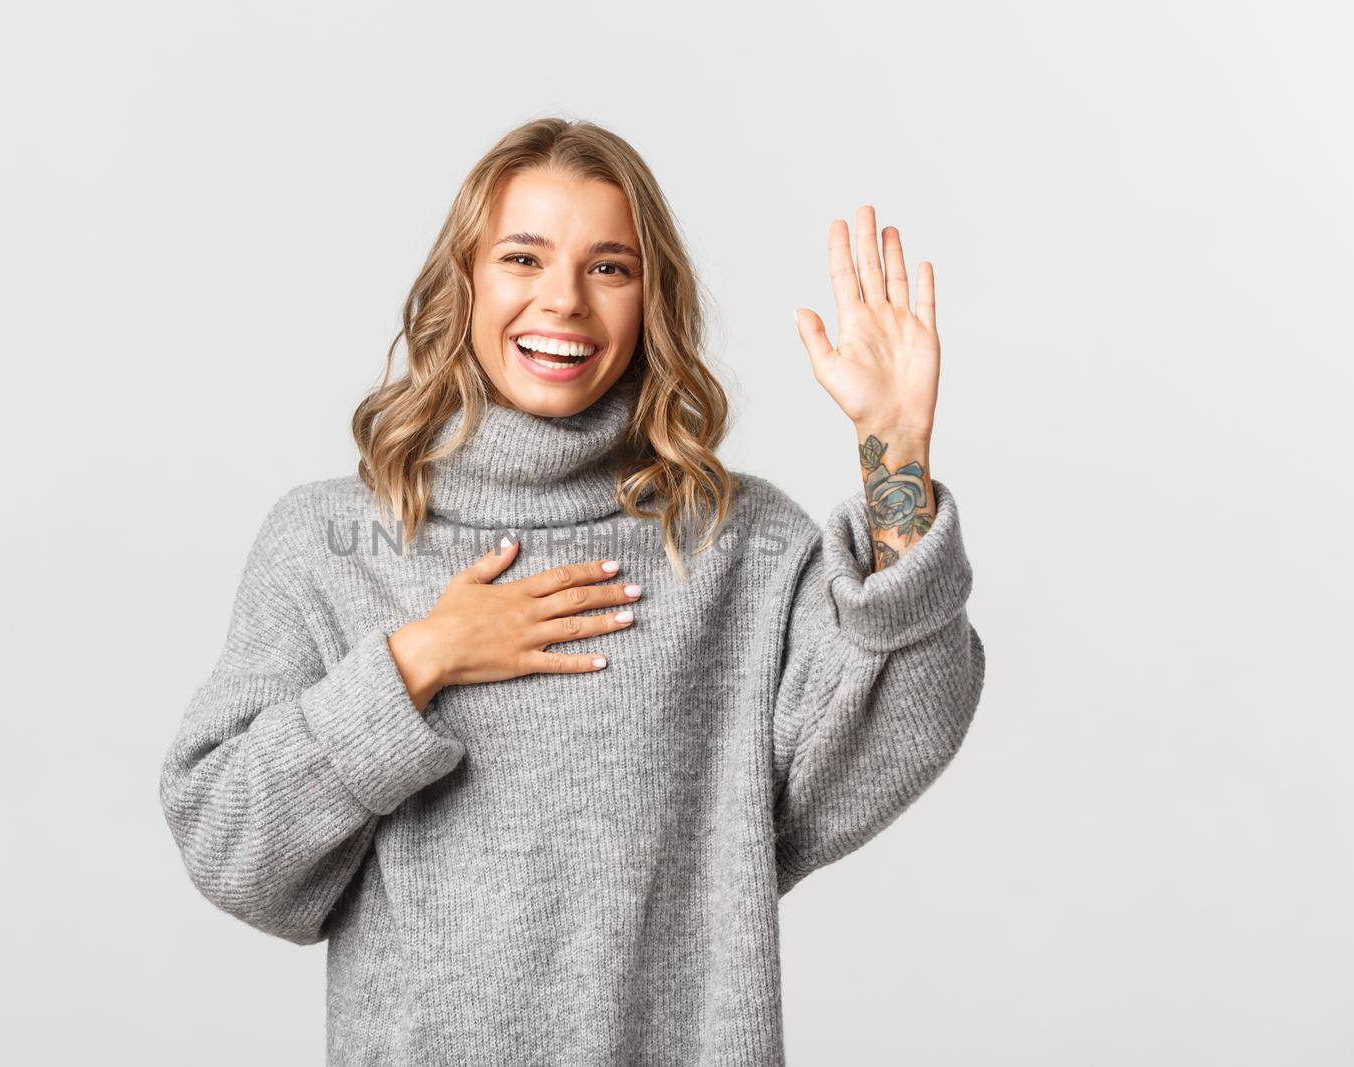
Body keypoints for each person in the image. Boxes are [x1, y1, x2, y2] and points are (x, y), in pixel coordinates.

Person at [156, 117, 985, 1065]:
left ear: (651, 300)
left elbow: (892, 731)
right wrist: (418, 660)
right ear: (462, 281)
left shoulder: (735, 545)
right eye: (522, 257)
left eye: (609, 268)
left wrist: (899, 456)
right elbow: (232, 846)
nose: (563, 303)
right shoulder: (331, 543)